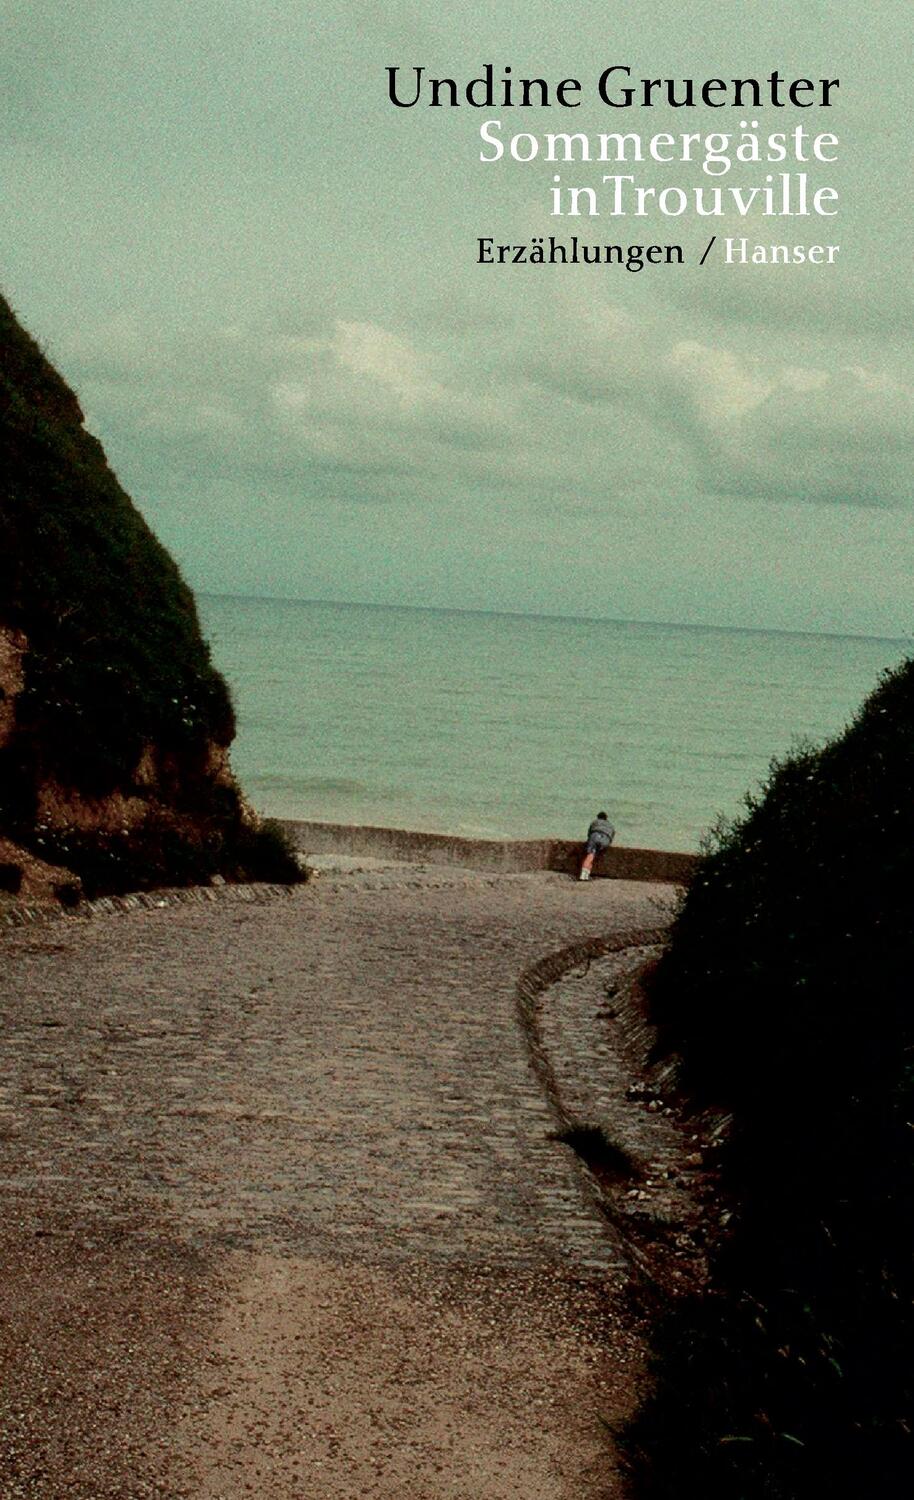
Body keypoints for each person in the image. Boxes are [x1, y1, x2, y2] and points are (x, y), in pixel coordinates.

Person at [579, 810, 615, 880]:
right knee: (593, 856)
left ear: (598, 817)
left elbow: (589, 833)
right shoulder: (611, 825)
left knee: (590, 855)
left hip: (595, 836)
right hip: (605, 839)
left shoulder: (595, 822)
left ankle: (583, 875)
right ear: (606, 818)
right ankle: (587, 874)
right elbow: (612, 836)